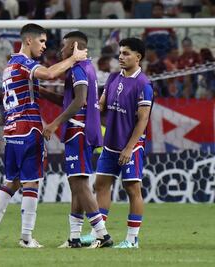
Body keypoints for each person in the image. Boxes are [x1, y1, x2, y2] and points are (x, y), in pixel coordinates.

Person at [0, 23, 87, 248]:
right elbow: (48, 73)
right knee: (32, 183)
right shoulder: (25, 63)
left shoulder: (9, 65)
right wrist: (74, 59)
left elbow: (33, 89)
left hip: (10, 130)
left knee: (11, 181)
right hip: (29, 129)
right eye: (42, 41)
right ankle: (27, 238)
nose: (44, 46)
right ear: (28, 40)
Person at [41, 31, 113, 249]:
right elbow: (68, 100)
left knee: (80, 184)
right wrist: (41, 91)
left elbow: (80, 100)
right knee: (76, 184)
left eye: (64, 46)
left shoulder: (78, 68)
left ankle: (102, 235)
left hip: (79, 130)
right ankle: (74, 238)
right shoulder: (84, 67)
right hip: (80, 129)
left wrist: (54, 123)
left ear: (73, 46)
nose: (60, 50)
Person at [92, 37, 154, 249]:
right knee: (100, 185)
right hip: (110, 144)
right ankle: (97, 234)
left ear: (138, 57)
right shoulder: (112, 78)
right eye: (120, 52)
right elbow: (101, 106)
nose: (121, 56)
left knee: (132, 188)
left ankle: (132, 239)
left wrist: (129, 147)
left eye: (126, 53)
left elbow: (143, 120)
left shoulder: (143, 84)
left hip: (131, 146)